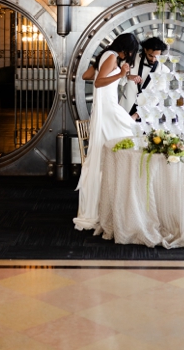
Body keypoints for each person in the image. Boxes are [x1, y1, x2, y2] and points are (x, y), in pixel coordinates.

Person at [74, 32, 140, 232]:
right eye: (131, 52)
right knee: (131, 136)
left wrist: (122, 74)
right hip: (109, 108)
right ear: (127, 49)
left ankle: (108, 203)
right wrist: (120, 74)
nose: (130, 56)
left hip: (105, 108)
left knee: (111, 151)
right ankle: (119, 203)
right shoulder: (112, 56)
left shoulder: (106, 55)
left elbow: (88, 75)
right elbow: (98, 82)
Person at [119, 36, 168, 119]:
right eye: (150, 56)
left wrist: (137, 114)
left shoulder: (164, 71)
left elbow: (156, 97)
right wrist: (128, 77)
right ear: (145, 50)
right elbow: (118, 81)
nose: (153, 59)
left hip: (146, 113)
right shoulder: (131, 59)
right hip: (126, 107)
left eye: (157, 56)